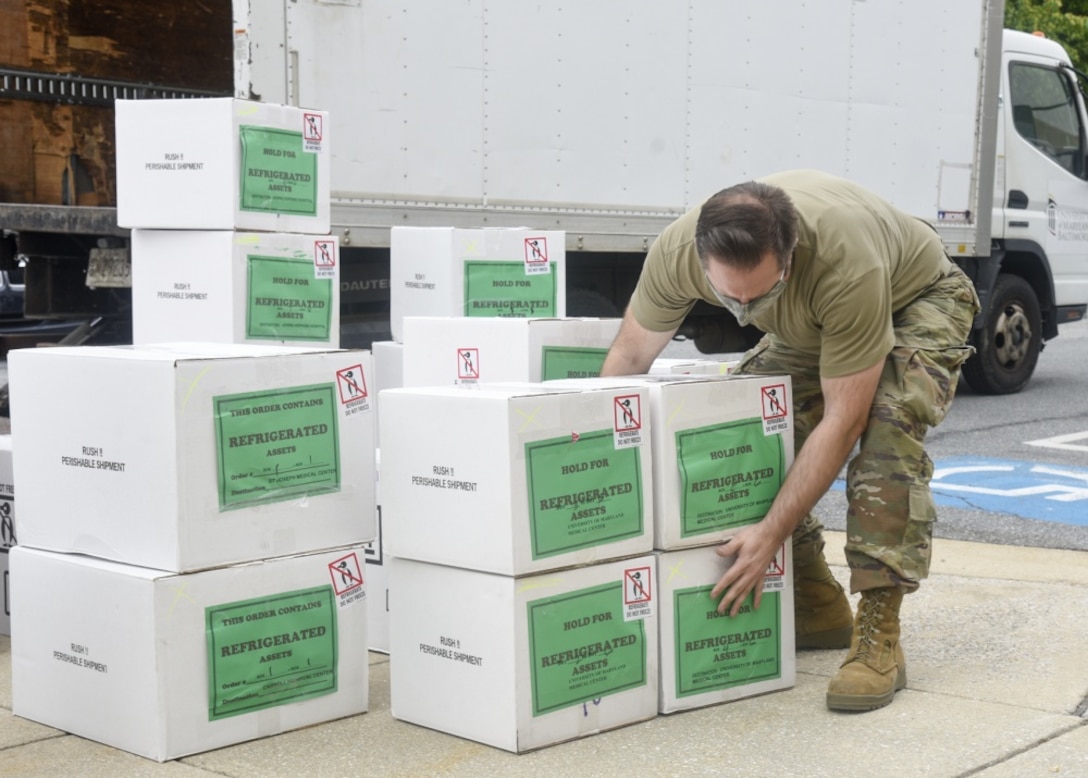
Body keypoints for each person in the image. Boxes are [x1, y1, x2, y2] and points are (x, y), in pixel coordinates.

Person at [600, 169, 979, 711]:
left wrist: (770, 534)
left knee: (886, 441)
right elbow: (628, 361)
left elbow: (843, 422)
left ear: (791, 251)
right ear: (701, 260)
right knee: (749, 426)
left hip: (917, 298)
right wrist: (598, 460)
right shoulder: (676, 251)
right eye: (731, 299)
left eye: (763, 293)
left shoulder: (844, 262)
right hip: (813, 323)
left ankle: (878, 635)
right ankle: (816, 602)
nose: (748, 311)